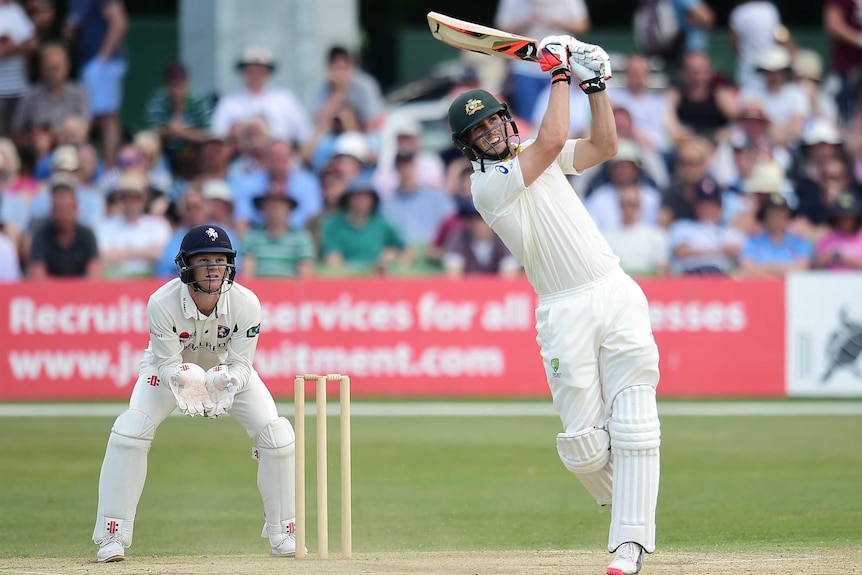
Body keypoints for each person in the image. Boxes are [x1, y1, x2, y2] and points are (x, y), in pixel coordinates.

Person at [447, 36, 659, 575]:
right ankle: (632, 494)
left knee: (634, 424)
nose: (490, 132)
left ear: (505, 121)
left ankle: (628, 548)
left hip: (612, 289)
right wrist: (558, 73)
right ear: (469, 146)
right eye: (477, 132)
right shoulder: (488, 185)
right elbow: (555, 137)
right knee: (584, 448)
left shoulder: (533, 154)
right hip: (562, 311)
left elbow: (604, 147)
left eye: (493, 121)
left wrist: (597, 87)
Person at [91, 224, 298, 562]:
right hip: (169, 370)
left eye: (220, 260)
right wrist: (185, 377)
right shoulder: (162, 302)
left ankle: (284, 532)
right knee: (130, 432)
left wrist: (227, 381)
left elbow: (243, 365)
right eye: (204, 260)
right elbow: (167, 362)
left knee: (277, 435)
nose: (214, 268)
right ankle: (112, 535)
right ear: (186, 265)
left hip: (227, 372)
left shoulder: (247, 303)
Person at [63, 0, 128, 166]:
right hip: (86, 61)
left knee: (106, 115)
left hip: (101, 63)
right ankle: (90, 164)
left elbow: (119, 22)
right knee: (89, 116)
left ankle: (110, 167)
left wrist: (103, 58)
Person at [27, 172, 100, 278]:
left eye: (67, 209)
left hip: (83, 293)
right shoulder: (41, 235)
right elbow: (37, 276)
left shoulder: (87, 235)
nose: (63, 216)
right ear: (52, 211)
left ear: (76, 209)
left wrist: (71, 291)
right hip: (48, 293)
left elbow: (95, 275)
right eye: (58, 210)